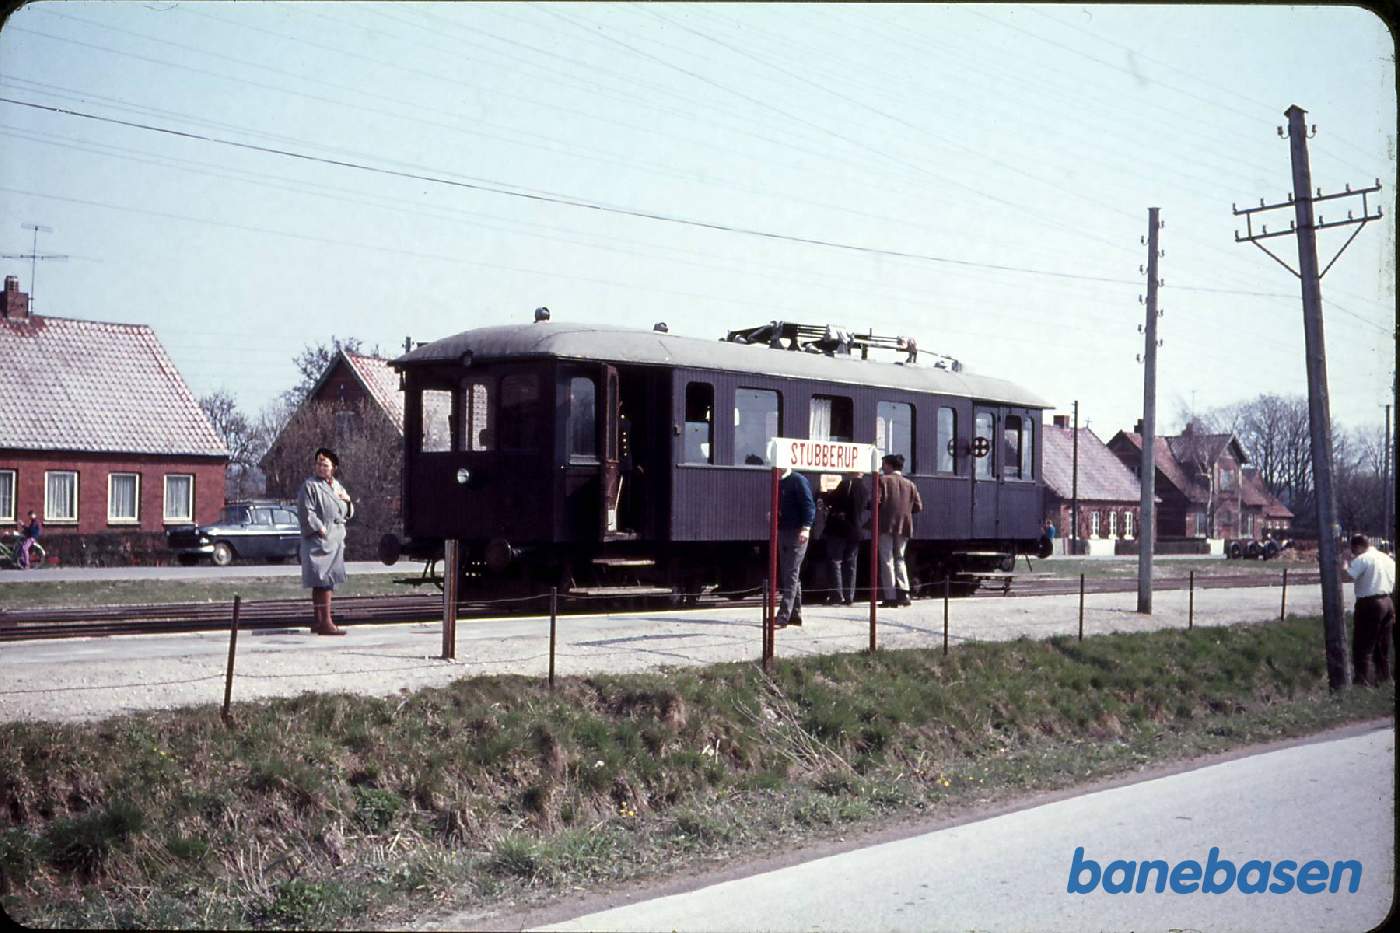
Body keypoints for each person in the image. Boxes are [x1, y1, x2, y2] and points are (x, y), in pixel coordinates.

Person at [297, 447, 354, 636]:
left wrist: (347, 502)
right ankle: (326, 622)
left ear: (333, 467)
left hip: (336, 538)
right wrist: (320, 529)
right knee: (322, 580)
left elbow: (347, 511)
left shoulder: (336, 486)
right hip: (319, 539)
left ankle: (320, 621)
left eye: (325, 464)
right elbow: (307, 511)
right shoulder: (310, 485)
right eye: (318, 463)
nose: (321, 467)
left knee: (326, 580)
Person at [1342, 533, 1394, 686]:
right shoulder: (1386, 558)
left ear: (1357, 547)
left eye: (1353, 550)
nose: (1353, 554)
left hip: (1369, 603)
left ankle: (1362, 682)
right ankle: (1385, 679)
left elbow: (1347, 577)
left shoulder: (1363, 559)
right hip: (1387, 600)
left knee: (1363, 645)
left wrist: (1345, 561)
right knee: (1383, 645)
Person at [873, 453, 922, 608]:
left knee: (887, 559)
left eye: (883, 464)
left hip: (885, 525)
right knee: (900, 558)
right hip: (904, 526)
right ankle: (905, 593)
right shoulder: (910, 484)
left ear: (889, 465)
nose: (882, 467)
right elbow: (918, 507)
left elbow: (876, 502)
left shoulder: (882, 481)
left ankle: (890, 596)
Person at [775, 466, 815, 628]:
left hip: (797, 531)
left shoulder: (798, 480)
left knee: (791, 571)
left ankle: (783, 616)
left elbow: (808, 505)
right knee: (790, 572)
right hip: (784, 530)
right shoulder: (780, 481)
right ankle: (795, 615)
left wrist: (806, 528)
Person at [822, 471, 868, 605]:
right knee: (851, 564)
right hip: (856, 531)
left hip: (839, 529)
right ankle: (849, 597)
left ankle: (837, 595)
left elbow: (831, 501)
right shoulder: (865, 489)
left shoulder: (845, 484)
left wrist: (823, 494)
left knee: (835, 561)